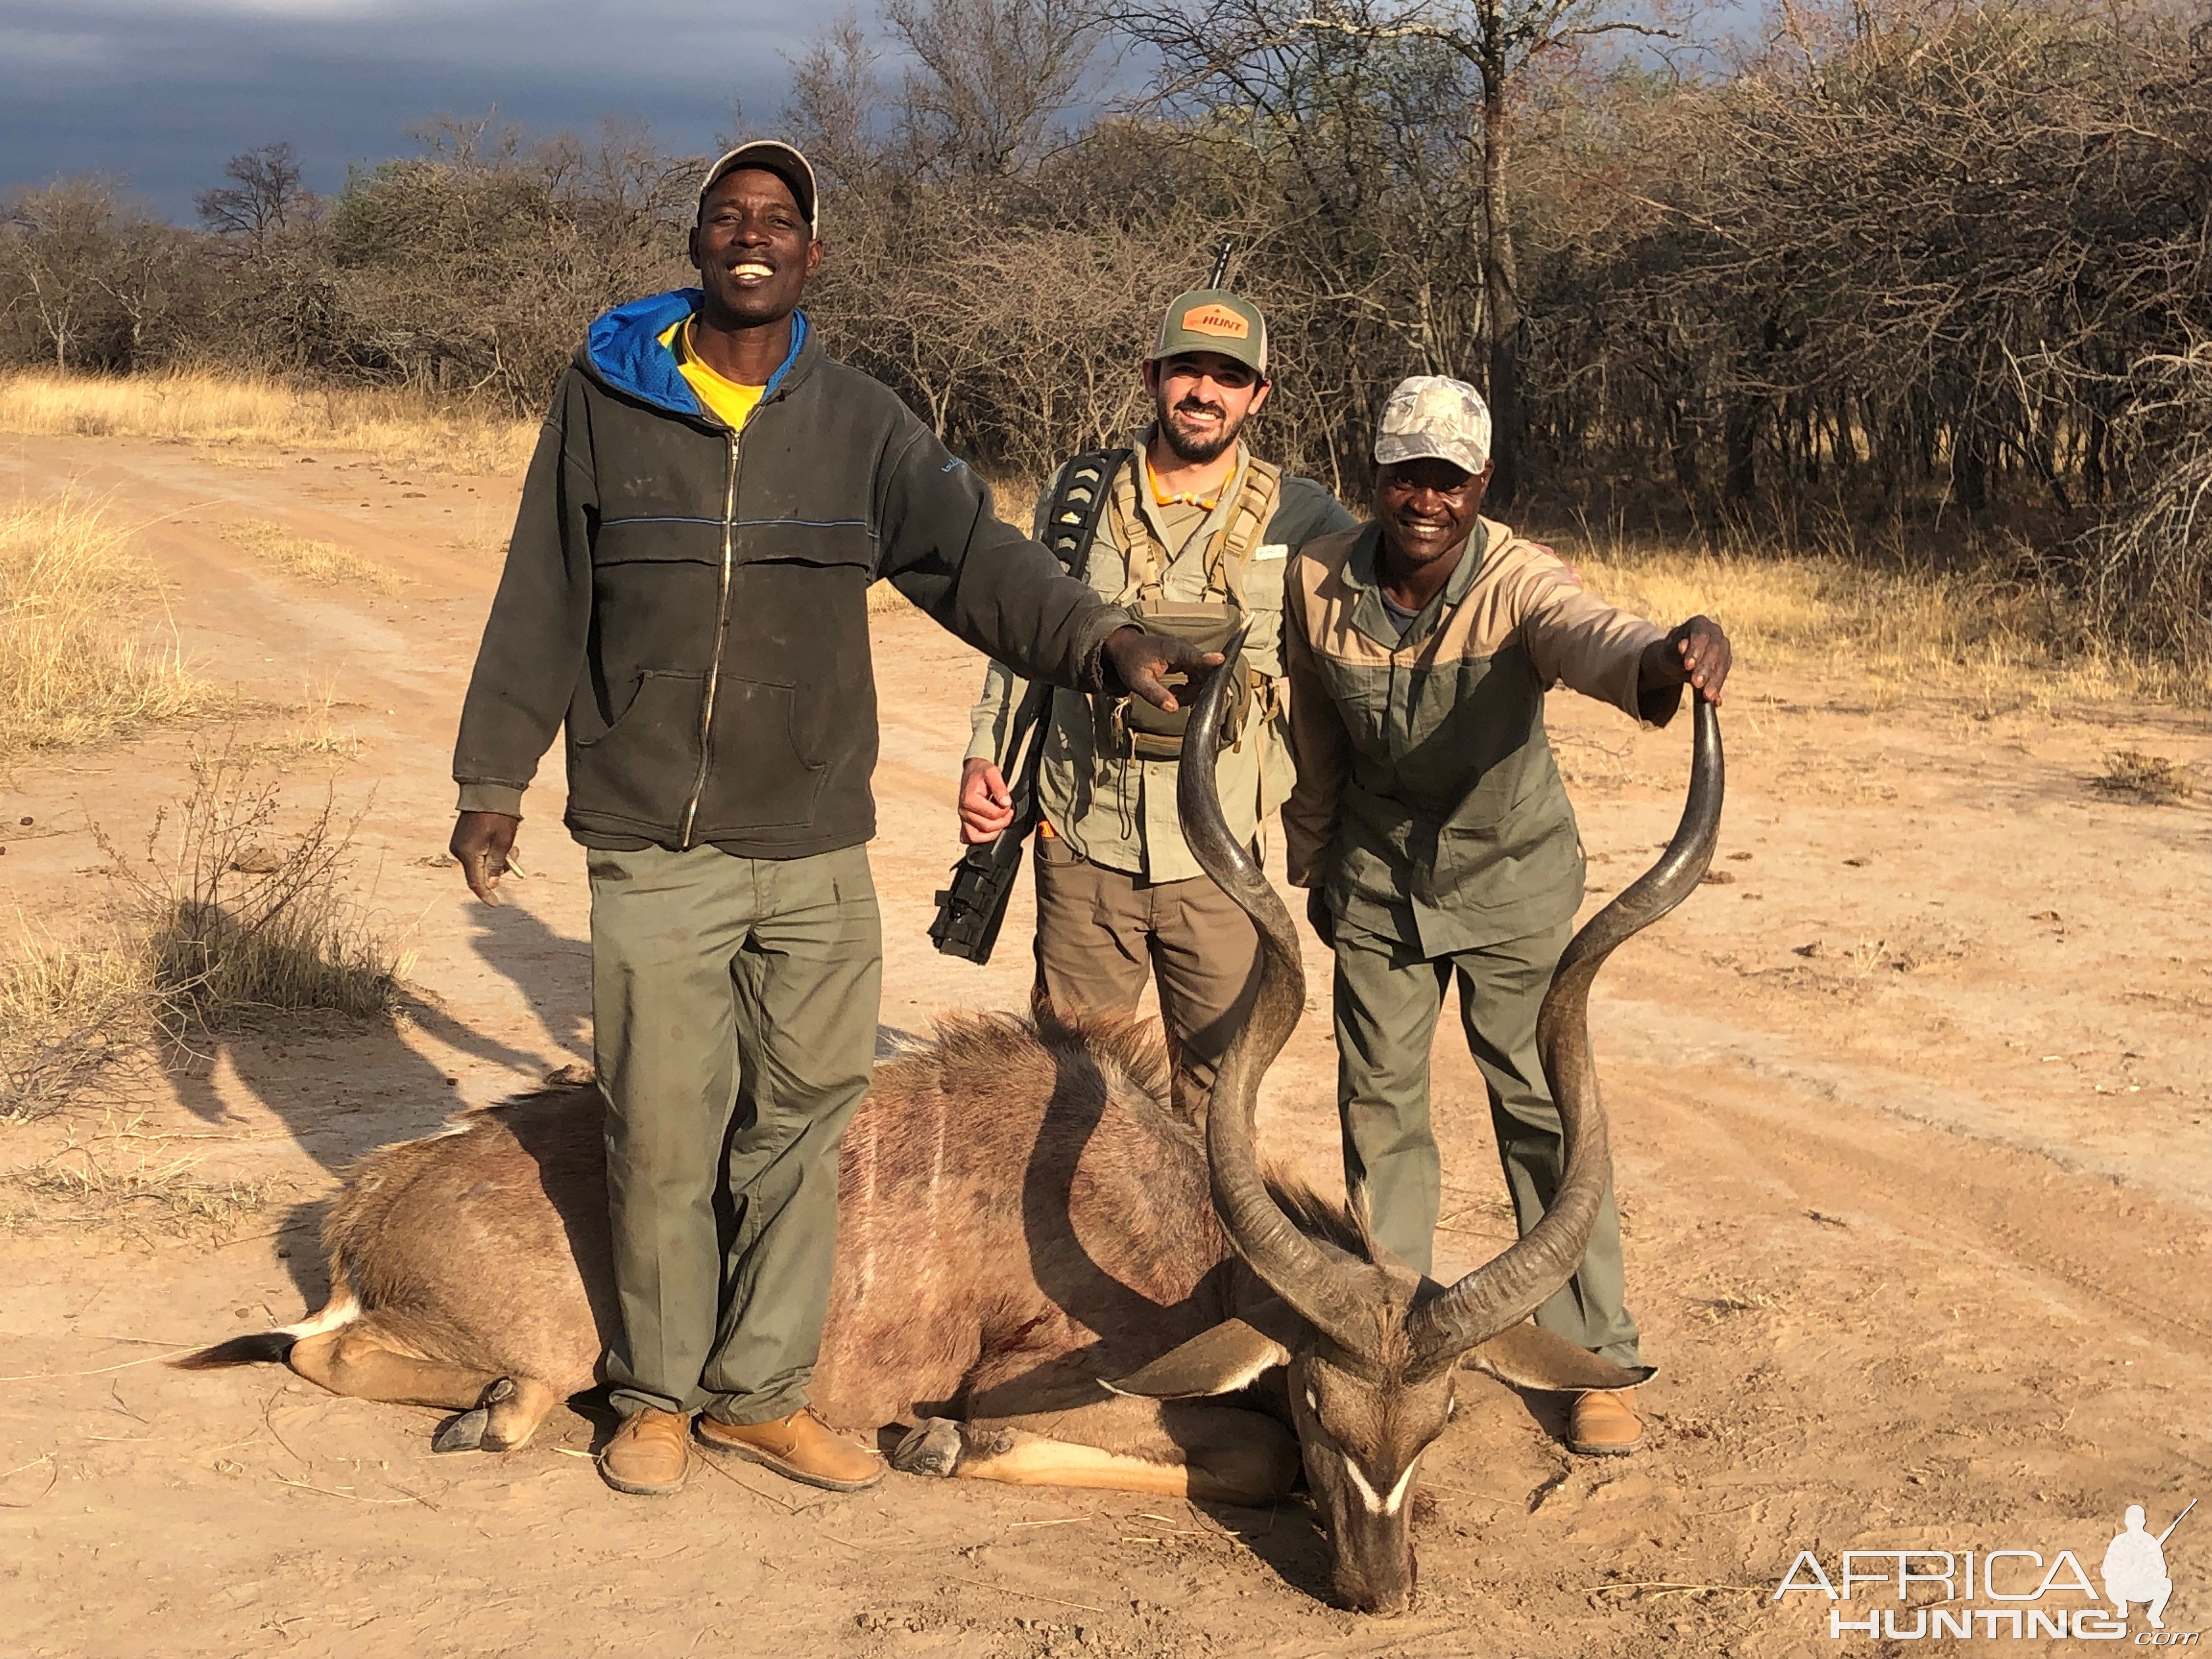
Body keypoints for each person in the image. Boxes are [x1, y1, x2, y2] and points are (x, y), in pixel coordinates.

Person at [448, 142, 1215, 1500]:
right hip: (655, 843)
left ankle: (757, 1395)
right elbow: (542, 591)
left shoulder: (859, 421)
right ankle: (657, 1399)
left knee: (801, 1127)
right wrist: (493, 781)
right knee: (663, 1126)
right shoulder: (605, 399)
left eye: (781, 221)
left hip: (811, 850)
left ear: (815, 257)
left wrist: (1102, 643)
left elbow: (977, 562)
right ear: (696, 243)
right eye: (729, 217)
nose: (754, 237)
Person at [1280, 375, 1731, 1457]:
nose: (1424, 497)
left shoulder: (1519, 580)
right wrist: (1316, 865)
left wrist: (1666, 659)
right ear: (1373, 475)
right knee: (1379, 1113)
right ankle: (1390, 1338)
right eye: (1406, 475)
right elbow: (1315, 729)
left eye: (1449, 478)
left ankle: (1599, 1361)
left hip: (1513, 882)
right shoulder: (1317, 578)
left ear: (1483, 482)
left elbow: (1593, 635)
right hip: (1379, 879)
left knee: (1544, 1107)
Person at [956, 287, 1355, 1118]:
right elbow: (1026, 635)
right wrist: (985, 754)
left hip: (1216, 855)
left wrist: (1500, 557)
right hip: (1081, 839)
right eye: (1186, 371)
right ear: (1153, 377)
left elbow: (1407, 571)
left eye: (1227, 377)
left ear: (1258, 395)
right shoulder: (1077, 495)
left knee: (1218, 1108)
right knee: (1074, 1100)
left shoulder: (1306, 511)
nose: (1203, 392)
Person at [2102, 1505, 2175, 1628]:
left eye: (2138, 1520)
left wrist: (2146, 1571)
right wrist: (2123, 1568)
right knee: (2110, 1583)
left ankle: (2154, 1615)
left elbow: (2162, 1570)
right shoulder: (2119, 1542)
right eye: (2132, 1520)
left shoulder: (2150, 1542)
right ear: (2126, 1522)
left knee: (2166, 1584)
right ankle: (2122, 1606)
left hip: (2143, 1588)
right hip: (2123, 1588)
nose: (2135, 1523)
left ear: (2144, 1522)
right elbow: (2106, 1570)